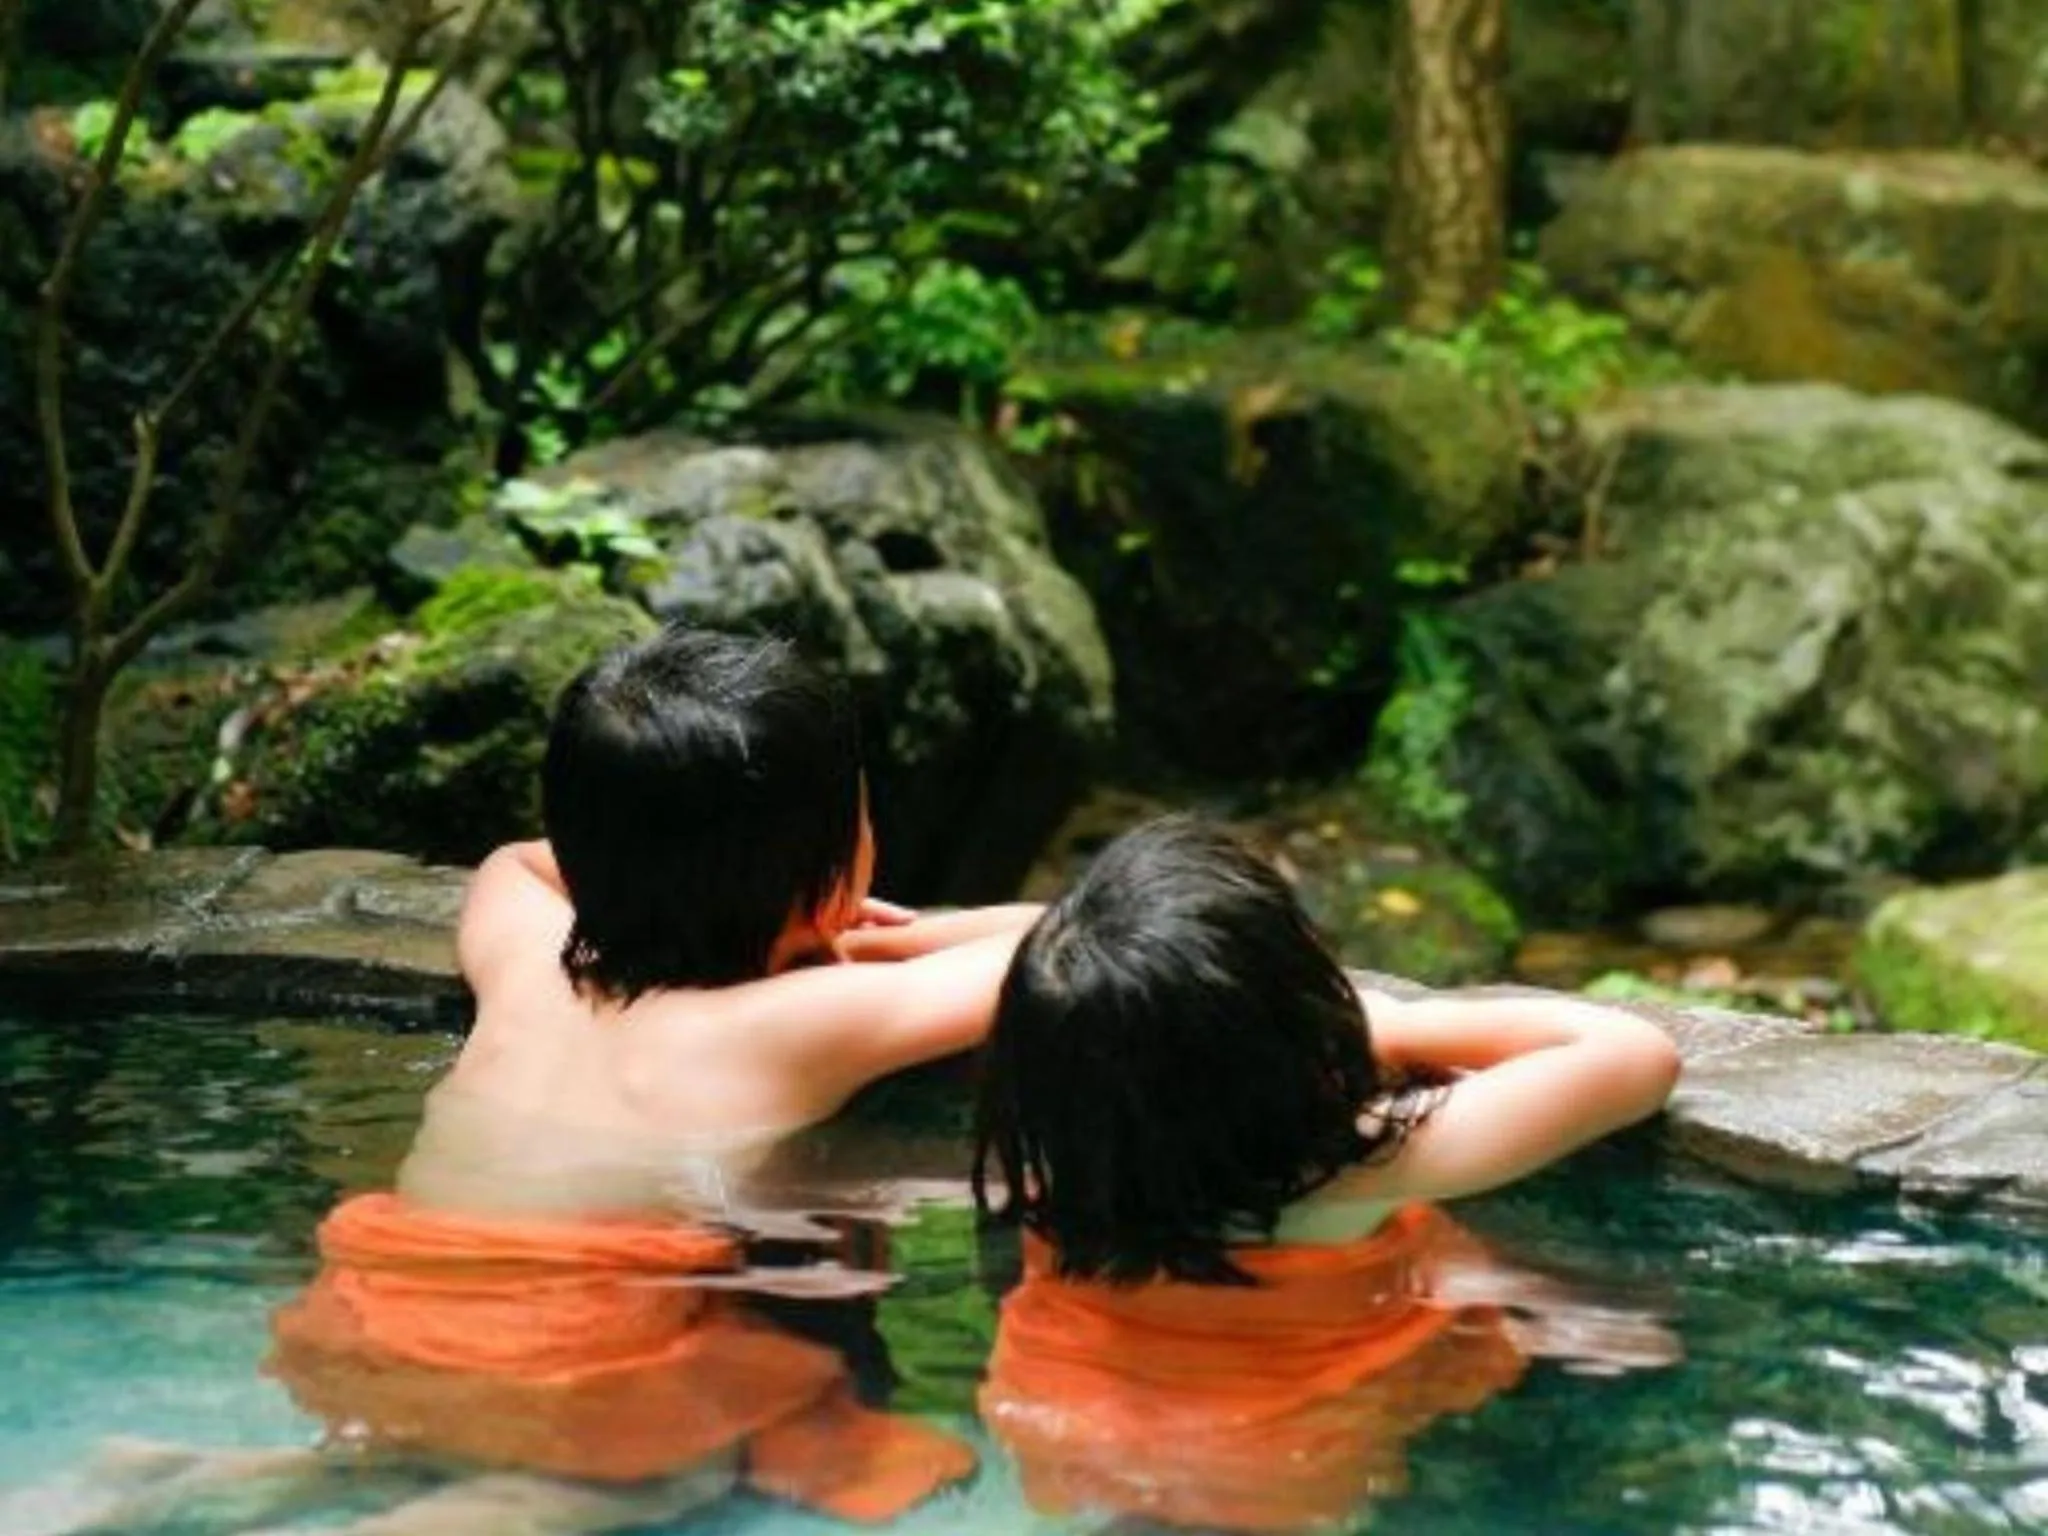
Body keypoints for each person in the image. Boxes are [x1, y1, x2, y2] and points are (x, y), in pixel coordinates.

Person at [973, 816, 1683, 1531]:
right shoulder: (1350, 1167)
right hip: (1271, 1458)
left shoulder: (1065, 1146)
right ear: (1299, 1023)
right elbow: (1635, 1056)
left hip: (1060, 1418)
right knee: (1629, 1333)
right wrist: (1391, 1023)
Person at [401, 623, 1041, 1219]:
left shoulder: (533, 975)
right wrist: (892, 937)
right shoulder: (791, 1025)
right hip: (585, 1315)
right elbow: (1063, 938)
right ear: (836, 870)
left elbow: (513, 862)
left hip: (383, 1275)